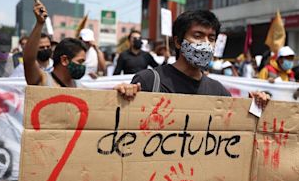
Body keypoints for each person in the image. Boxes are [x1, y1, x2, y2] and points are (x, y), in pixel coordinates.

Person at [115, 10, 269, 108]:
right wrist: (122, 96)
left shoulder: (219, 92)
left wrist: (255, 106)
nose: (206, 43)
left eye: (211, 38)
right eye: (198, 36)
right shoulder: (149, 81)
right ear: (178, 42)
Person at [24, 1, 87, 87]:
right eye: (80, 62)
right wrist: (39, 23)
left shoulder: (80, 88)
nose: (82, 67)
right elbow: (29, 60)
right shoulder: (42, 80)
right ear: (64, 60)